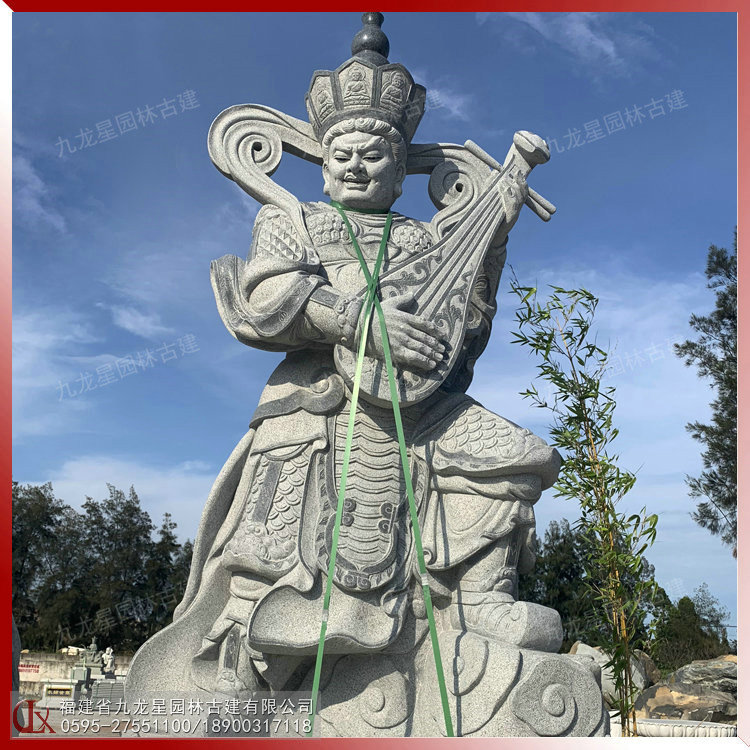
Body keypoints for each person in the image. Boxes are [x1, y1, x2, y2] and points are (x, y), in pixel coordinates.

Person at [127, 13, 561, 702]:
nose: (356, 165)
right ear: (323, 164)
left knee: (518, 458)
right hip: (320, 399)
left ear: (401, 167)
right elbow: (268, 297)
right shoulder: (295, 220)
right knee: (283, 534)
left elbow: (461, 337)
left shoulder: (425, 240)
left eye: (374, 155)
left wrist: (490, 244)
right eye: (342, 155)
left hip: (417, 408)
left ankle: (481, 599)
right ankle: (247, 649)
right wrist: (360, 319)